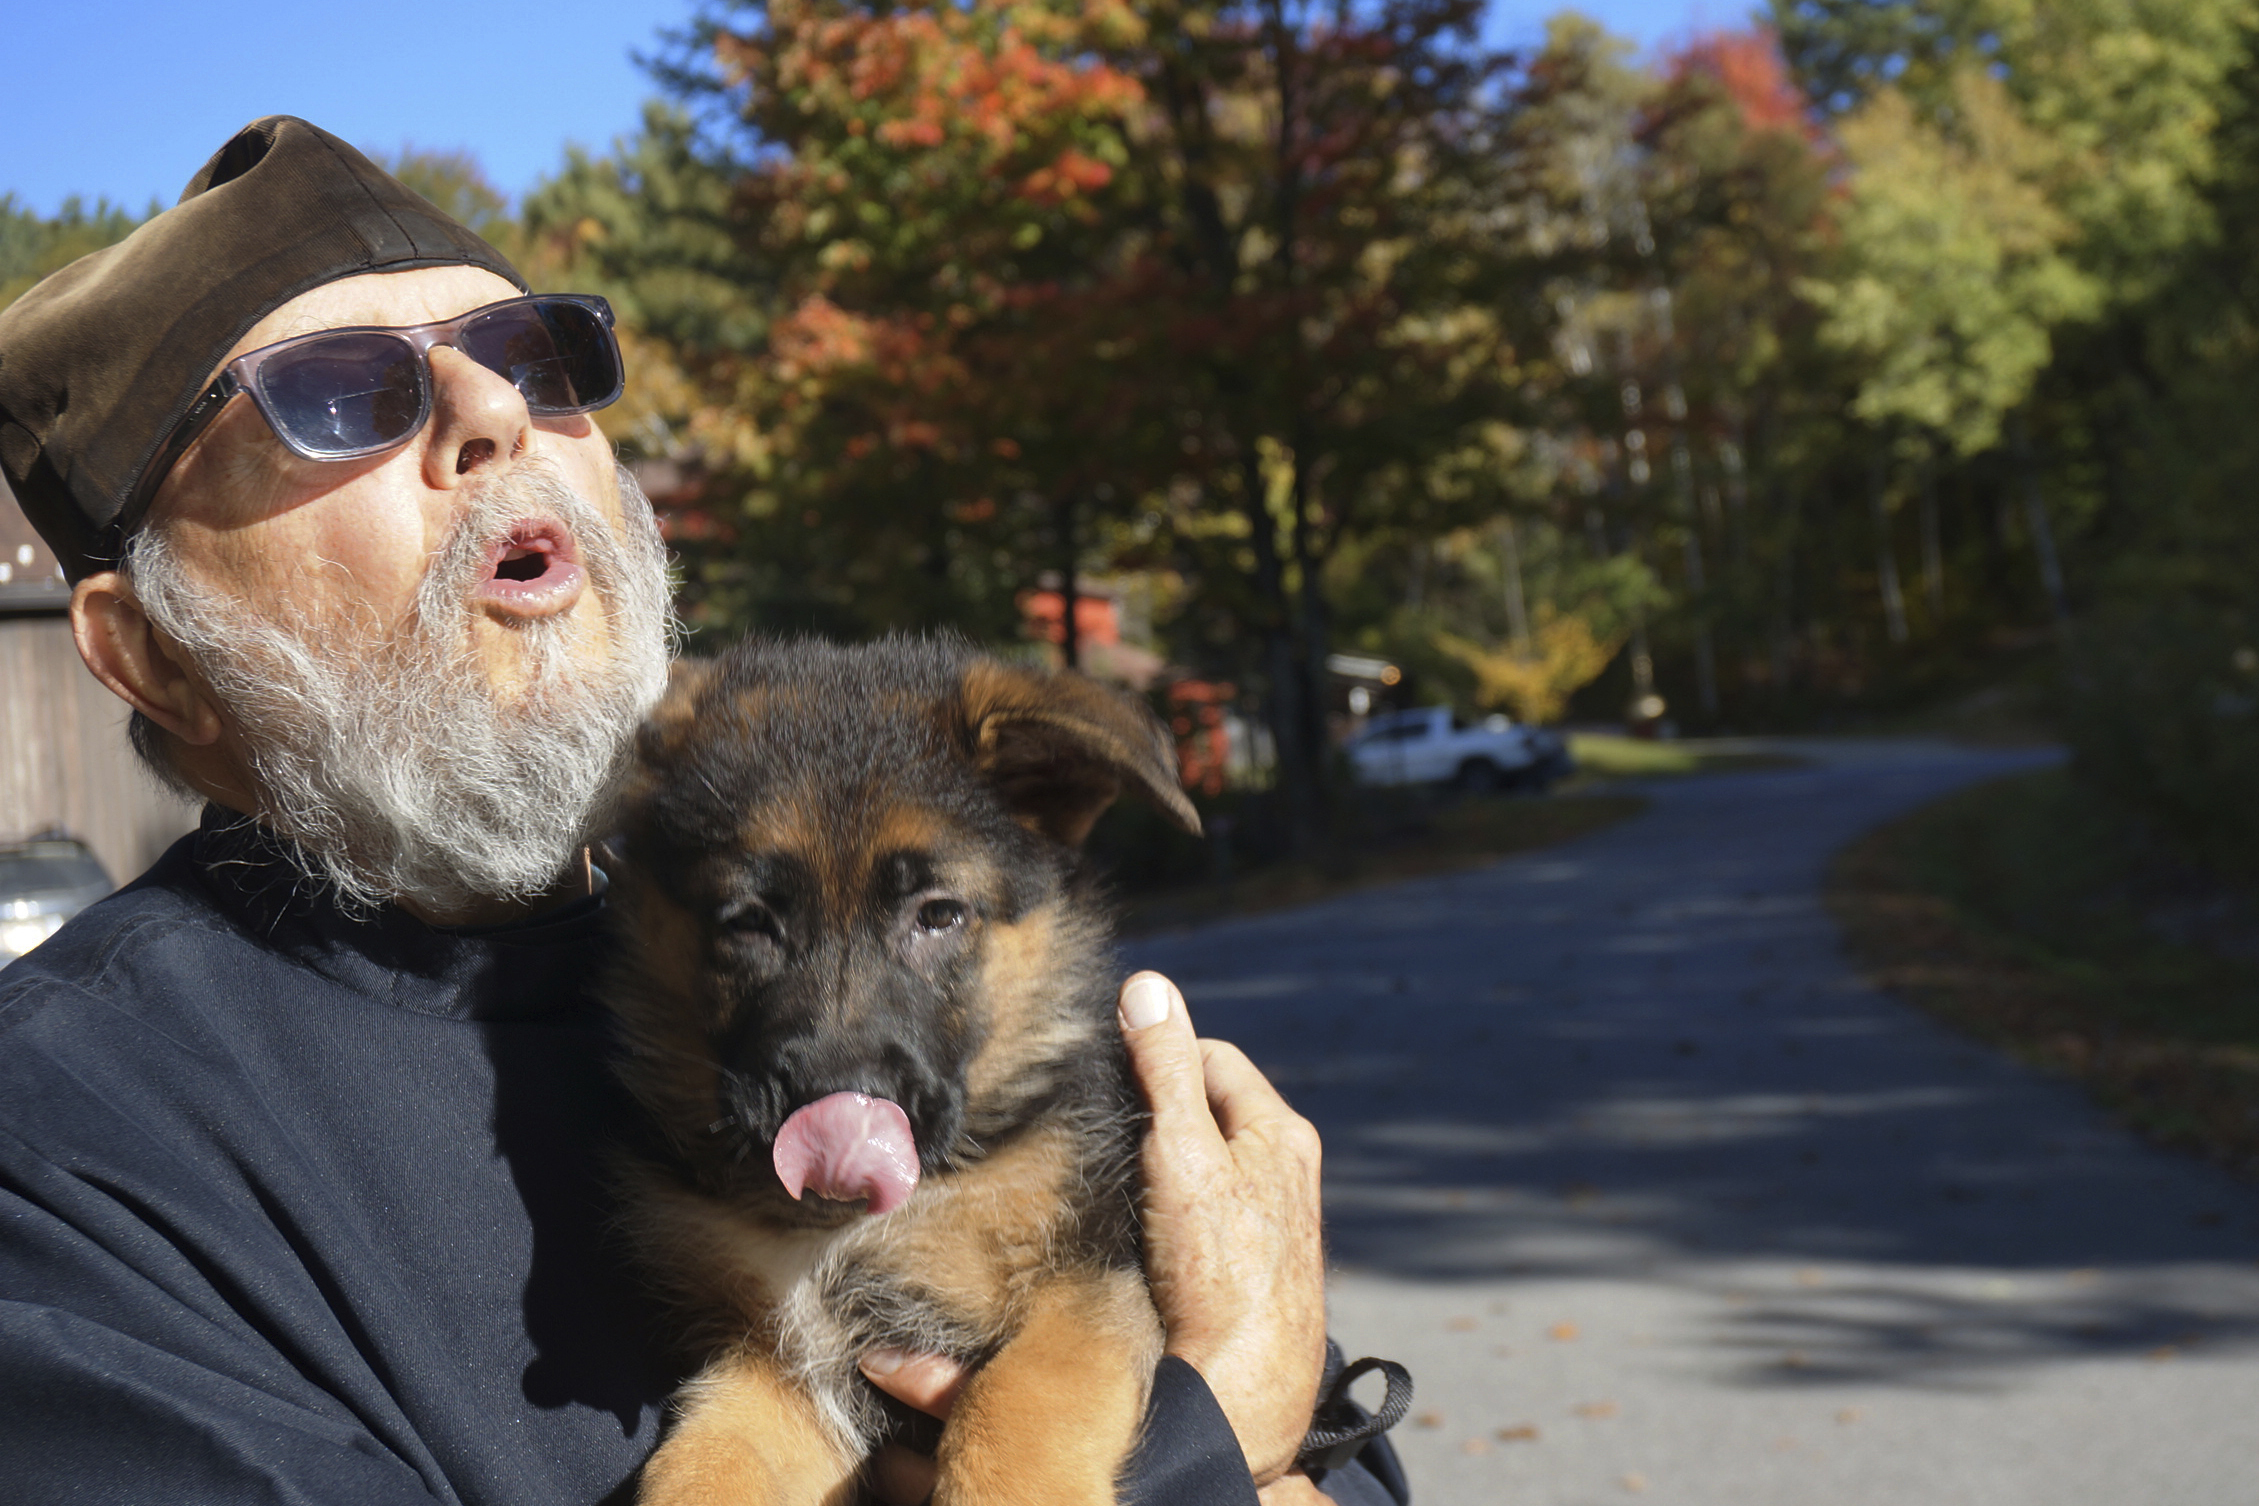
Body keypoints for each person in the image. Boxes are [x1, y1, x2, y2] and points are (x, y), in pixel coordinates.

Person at [0, 117, 1407, 1505]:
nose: (492, 414)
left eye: (536, 357)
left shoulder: (765, 884)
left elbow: (1352, 1456)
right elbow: (1237, 1407)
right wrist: (1204, 1442)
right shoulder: (66, 1149)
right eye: (340, 393)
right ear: (151, 654)